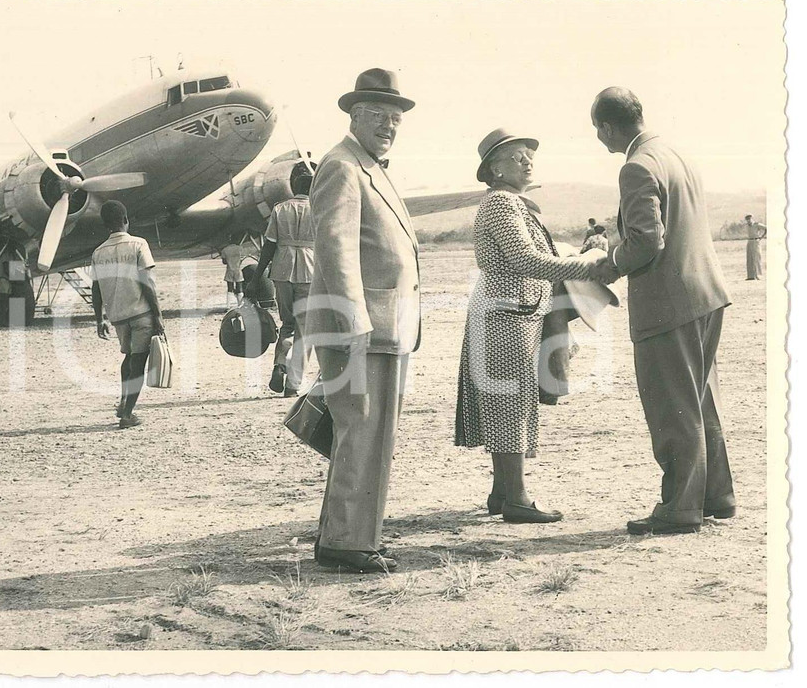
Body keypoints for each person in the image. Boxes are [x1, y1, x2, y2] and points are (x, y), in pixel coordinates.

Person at [591, 87, 734, 535]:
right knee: (700, 399)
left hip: (667, 304)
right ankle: (716, 496)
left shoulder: (635, 167)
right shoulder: (675, 153)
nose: (599, 139)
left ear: (608, 127)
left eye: (598, 131)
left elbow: (647, 241)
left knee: (673, 406)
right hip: (706, 294)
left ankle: (680, 507)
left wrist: (609, 263)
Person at [455, 128, 603, 524]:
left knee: (510, 401)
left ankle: (503, 492)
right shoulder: (503, 203)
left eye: (528, 154)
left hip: (513, 311)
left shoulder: (512, 203)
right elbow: (526, 260)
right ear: (493, 169)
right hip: (506, 313)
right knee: (509, 404)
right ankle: (517, 499)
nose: (527, 160)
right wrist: (587, 266)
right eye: (516, 155)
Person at [304, 68, 420, 573]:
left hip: (383, 322)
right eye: (377, 115)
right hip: (363, 326)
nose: (388, 125)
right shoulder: (342, 166)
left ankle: (348, 534)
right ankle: (348, 543)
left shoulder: (368, 165)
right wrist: (354, 320)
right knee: (362, 429)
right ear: (354, 115)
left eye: (394, 118)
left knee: (369, 432)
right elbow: (335, 246)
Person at [91, 200, 165, 430]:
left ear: (105, 225)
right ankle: (128, 414)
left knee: (129, 356)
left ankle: (125, 401)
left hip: (118, 316)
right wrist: (158, 316)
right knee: (139, 362)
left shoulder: (98, 252)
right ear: (126, 220)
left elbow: (95, 289)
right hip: (141, 312)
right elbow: (147, 284)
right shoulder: (138, 244)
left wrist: (99, 318)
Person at [251, 164, 316, 397]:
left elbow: (269, 245)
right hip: (309, 271)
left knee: (287, 324)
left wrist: (256, 278)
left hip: (282, 270)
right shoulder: (319, 209)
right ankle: (293, 385)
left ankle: (280, 364)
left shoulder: (280, 209)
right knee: (304, 330)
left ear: (294, 187)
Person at [220, 240, 244, 307]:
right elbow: (241, 259)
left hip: (229, 270)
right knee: (239, 288)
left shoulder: (225, 249)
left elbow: (224, 262)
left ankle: (228, 305)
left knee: (230, 289)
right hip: (238, 270)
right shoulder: (240, 248)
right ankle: (240, 305)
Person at [745, 214, 766, 280]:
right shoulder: (747, 226)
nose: (749, 221)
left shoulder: (757, 224)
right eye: (747, 220)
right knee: (750, 258)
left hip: (756, 241)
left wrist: (761, 237)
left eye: (750, 219)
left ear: (752, 219)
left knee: (756, 258)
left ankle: (758, 275)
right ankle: (751, 276)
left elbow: (766, 228)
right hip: (750, 241)